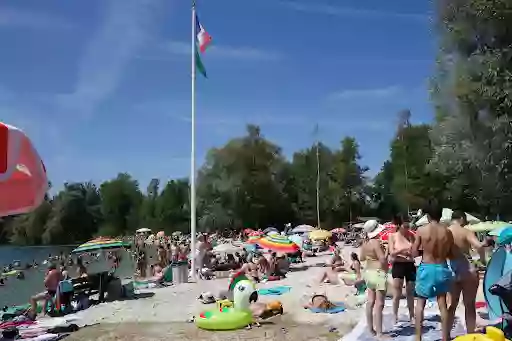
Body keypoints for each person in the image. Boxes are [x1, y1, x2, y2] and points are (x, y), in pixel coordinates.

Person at [412, 202, 455, 341]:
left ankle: (418, 337)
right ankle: (445, 337)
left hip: (427, 267)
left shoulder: (421, 230)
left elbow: (413, 252)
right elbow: (450, 253)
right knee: (442, 303)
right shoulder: (447, 232)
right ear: (441, 215)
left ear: (428, 216)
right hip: (442, 267)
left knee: (420, 303)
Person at [447, 210, 487, 334]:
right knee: (469, 305)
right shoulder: (466, 232)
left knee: (451, 305)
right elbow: (479, 246)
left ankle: (446, 335)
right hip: (467, 268)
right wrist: (482, 260)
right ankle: (470, 334)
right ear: (462, 219)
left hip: (451, 268)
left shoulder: (445, 232)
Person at [360, 220, 388, 339]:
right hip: (378, 273)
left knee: (370, 301)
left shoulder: (365, 243)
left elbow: (362, 258)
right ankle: (380, 333)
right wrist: (387, 250)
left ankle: (371, 328)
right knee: (379, 304)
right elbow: (382, 260)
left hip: (368, 272)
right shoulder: (376, 242)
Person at [389, 218, 416, 323]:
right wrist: (403, 250)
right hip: (398, 265)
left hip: (410, 264)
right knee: (397, 292)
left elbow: (415, 251)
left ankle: (412, 316)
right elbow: (392, 253)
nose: (407, 229)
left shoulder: (411, 236)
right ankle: (395, 315)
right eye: (405, 227)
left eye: (408, 227)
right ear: (399, 226)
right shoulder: (393, 237)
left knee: (410, 292)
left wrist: (410, 252)